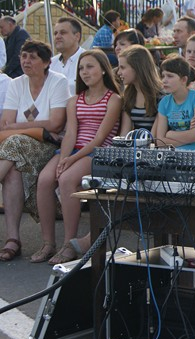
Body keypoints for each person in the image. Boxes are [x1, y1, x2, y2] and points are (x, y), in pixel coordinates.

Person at [36, 50, 121, 264]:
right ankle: (48, 242)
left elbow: (100, 137)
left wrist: (71, 160)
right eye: (81, 68)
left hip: (97, 151)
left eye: (90, 67)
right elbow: (71, 133)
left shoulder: (113, 99)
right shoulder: (75, 100)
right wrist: (63, 158)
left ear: (103, 70)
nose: (84, 72)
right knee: (45, 179)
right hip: (74, 149)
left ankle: (69, 243)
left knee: (66, 179)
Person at [0, 41, 69, 262]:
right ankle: (13, 239)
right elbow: (4, 125)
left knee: (14, 143)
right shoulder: (16, 84)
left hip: (49, 146)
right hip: (18, 147)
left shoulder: (58, 82)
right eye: (23, 56)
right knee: (12, 170)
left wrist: (18, 128)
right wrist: (38, 129)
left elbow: (56, 123)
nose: (26, 61)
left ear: (46, 62)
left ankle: (13, 240)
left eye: (32, 57)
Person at [152, 54, 195, 151]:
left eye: (170, 76)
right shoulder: (164, 102)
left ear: (183, 80)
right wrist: (186, 138)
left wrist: (170, 134)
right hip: (174, 154)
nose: (164, 80)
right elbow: (160, 142)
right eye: (163, 76)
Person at [117, 44, 162, 135]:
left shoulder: (161, 95)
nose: (118, 72)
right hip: (135, 141)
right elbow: (125, 132)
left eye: (123, 67)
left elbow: (157, 135)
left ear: (137, 68)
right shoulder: (128, 95)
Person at [51, 17, 86, 95]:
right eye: (55, 33)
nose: (57, 36)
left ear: (77, 36)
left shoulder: (89, 61)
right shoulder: (51, 63)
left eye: (63, 33)